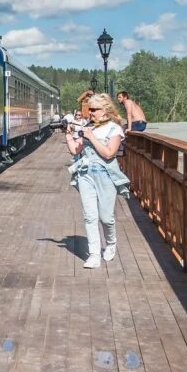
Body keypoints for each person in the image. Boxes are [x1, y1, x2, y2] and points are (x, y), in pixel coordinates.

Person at [65, 93, 130, 269]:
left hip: (105, 175)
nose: (90, 113)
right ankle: (94, 255)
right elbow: (75, 150)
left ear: (105, 111)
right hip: (86, 174)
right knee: (90, 216)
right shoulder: (87, 127)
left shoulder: (114, 129)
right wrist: (69, 135)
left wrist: (91, 137)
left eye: (94, 109)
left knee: (106, 217)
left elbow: (109, 153)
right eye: (89, 109)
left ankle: (110, 243)